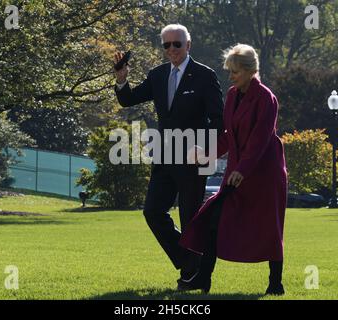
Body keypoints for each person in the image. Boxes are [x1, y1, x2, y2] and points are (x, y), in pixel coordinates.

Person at [113, 24, 224, 287]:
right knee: (152, 211)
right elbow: (128, 99)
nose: (172, 49)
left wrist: (203, 147)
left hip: (193, 159)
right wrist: (121, 79)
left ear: (189, 45)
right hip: (164, 157)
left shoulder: (205, 75)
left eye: (177, 44)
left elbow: (219, 119)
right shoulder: (158, 75)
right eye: (167, 45)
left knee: (190, 219)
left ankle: (193, 276)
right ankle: (188, 263)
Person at [179, 44, 288, 295]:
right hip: (238, 171)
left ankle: (275, 283)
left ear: (251, 70)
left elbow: (260, 139)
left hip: (264, 173)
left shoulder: (266, 98)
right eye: (229, 71)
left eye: (235, 72)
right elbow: (229, 136)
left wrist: (243, 169)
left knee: (269, 227)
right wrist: (208, 155)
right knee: (213, 219)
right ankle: (202, 278)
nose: (231, 76)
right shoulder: (232, 94)